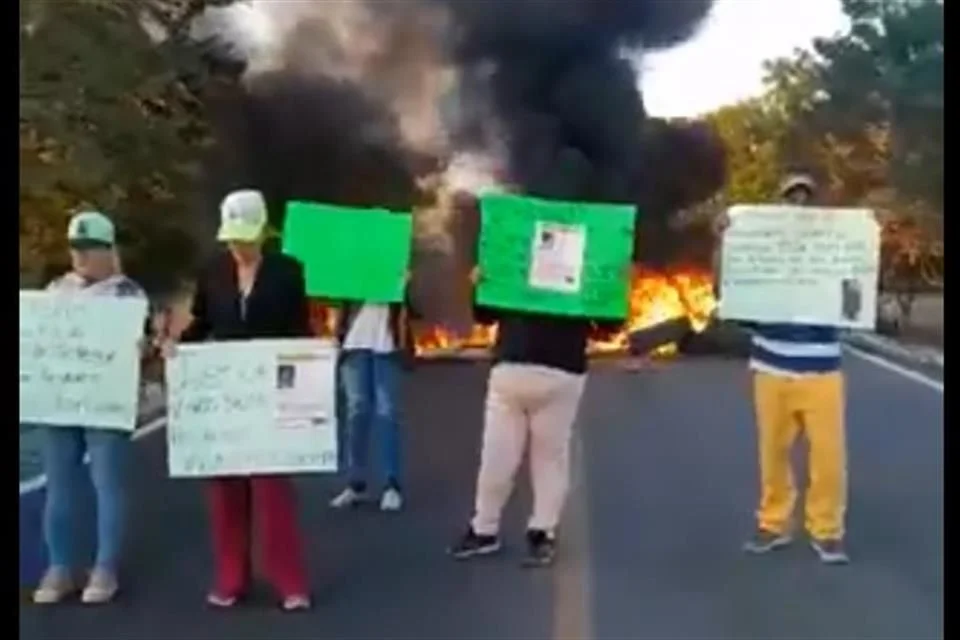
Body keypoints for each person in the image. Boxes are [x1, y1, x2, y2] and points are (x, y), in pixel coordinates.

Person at [165, 189, 313, 609]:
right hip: (226, 393)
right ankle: (232, 577)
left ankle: (289, 580)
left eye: (246, 238)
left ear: (264, 233)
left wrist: (311, 365)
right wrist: (178, 346)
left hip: (269, 390)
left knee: (272, 490)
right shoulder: (212, 273)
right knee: (226, 490)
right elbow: (202, 323)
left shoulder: (288, 271)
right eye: (233, 239)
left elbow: (299, 330)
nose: (239, 247)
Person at [714, 172, 850, 565]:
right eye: (792, 197)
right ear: (781, 204)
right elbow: (726, 287)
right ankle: (773, 522)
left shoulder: (832, 253)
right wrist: (723, 240)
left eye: (806, 198)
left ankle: (826, 529)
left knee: (828, 456)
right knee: (772, 452)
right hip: (770, 368)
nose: (799, 205)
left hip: (822, 369)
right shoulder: (762, 250)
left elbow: (855, 294)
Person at [448, 266, 623, 567]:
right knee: (548, 458)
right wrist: (613, 290)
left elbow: (485, 314)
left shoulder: (515, 252)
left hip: (516, 366)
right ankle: (542, 532)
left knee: (498, 456)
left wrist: (479, 287)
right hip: (560, 369)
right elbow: (608, 327)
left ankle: (485, 530)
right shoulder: (587, 259)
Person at [31, 211, 149, 605]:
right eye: (76, 248)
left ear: (108, 249)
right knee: (58, 487)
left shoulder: (127, 295)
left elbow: (143, 347)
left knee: (106, 485)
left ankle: (105, 567)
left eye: (90, 248)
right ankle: (59, 566)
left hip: (105, 406)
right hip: (60, 402)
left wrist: (143, 350)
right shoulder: (53, 291)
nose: (81, 256)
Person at [329, 270, 417, 512]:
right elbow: (333, 297)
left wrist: (406, 287)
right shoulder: (351, 263)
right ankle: (355, 483)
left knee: (387, 412)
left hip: (386, 343)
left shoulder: (395, 259)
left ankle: (391, 484)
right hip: (354, 343)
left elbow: (416, 310)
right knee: (357, 411)